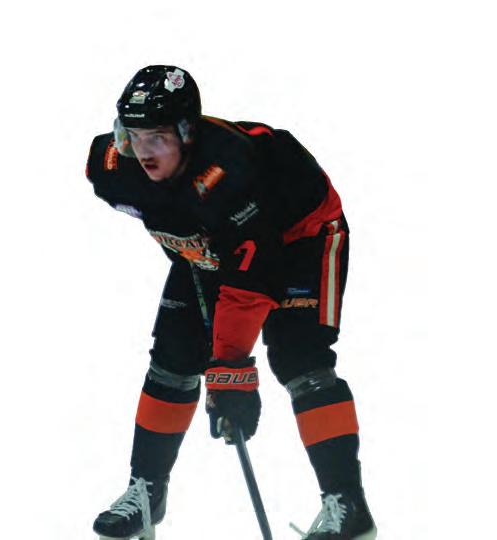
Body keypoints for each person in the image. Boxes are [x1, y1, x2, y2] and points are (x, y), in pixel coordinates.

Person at [85, 65, 376, 540]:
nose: (143, 151)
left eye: (157, 137)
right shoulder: (113, 167)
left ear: (186, 132)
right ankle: (147, 491)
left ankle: (348, 506)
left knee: (300, 358)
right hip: (216, 240)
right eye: (133, 136)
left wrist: (230, 370)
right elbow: (176, 215)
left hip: (302, 237)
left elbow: (250, 282)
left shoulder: (231, 172)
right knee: (174, 358)